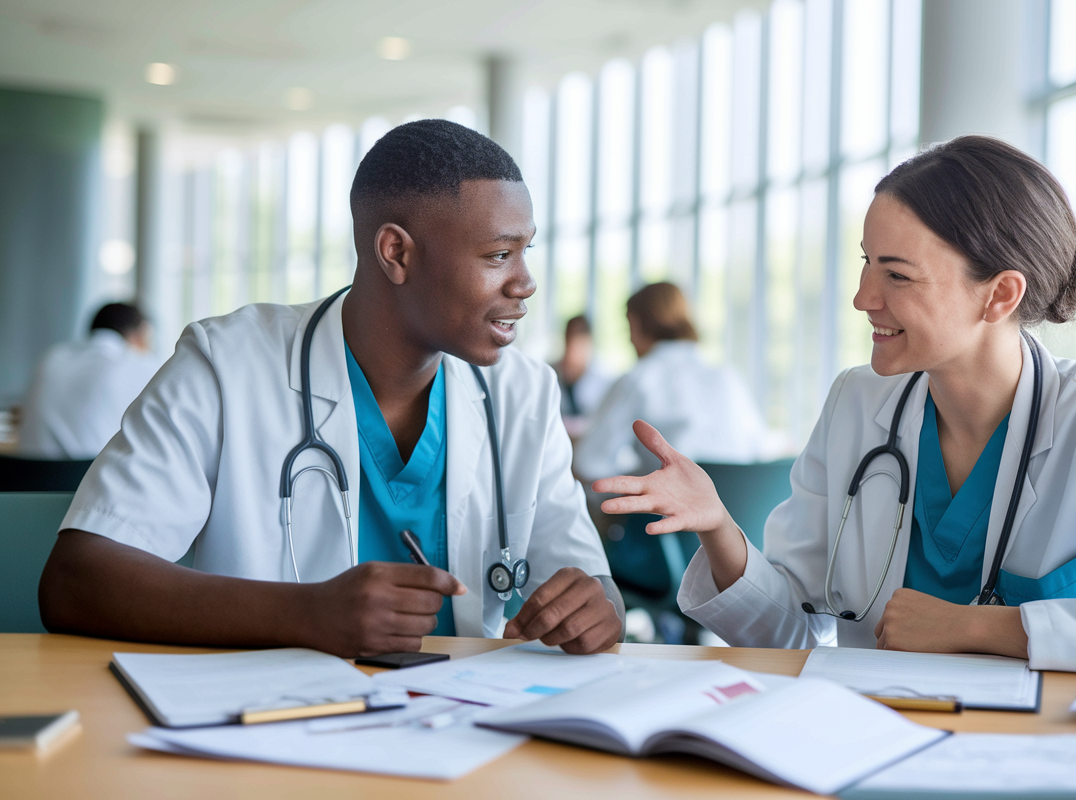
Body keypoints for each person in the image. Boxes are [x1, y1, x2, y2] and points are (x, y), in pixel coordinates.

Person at [594, 136, 1076, 680]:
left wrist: (982, 627)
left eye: (896, 275)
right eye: (866, 264)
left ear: (999, 296)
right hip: (860, 745)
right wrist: (718, 528)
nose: (864, 297)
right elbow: (795, 633)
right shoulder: (857, 403)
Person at [39, 120, 624, 657]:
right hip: (271, 730)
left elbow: (590, 581)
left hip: (468, 733)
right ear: (396, 252)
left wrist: (599, 609)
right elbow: (77, 579)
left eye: (526, 250)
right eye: (499, 255)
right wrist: (306, 614)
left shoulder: (525, 392)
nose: (526, 282)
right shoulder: (227, 365)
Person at [573, 282, 774, 482]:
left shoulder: (637, 379)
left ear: (635, 324)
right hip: (737, 512)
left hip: (670, 511)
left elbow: (589, 464)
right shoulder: (728, 377)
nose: (629, 341)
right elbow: (760, 450)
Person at [18, 302, 162, 460]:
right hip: (88, 478)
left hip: (29, 477)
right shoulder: (136, 363)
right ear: (137, 333)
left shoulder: (52, 357)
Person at [552, 314, 613, 437]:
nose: (573, 350)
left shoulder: (602, 380)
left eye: (578, 344)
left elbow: (605, 423)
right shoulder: (551, 373)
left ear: (589, 343)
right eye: (570, 342)